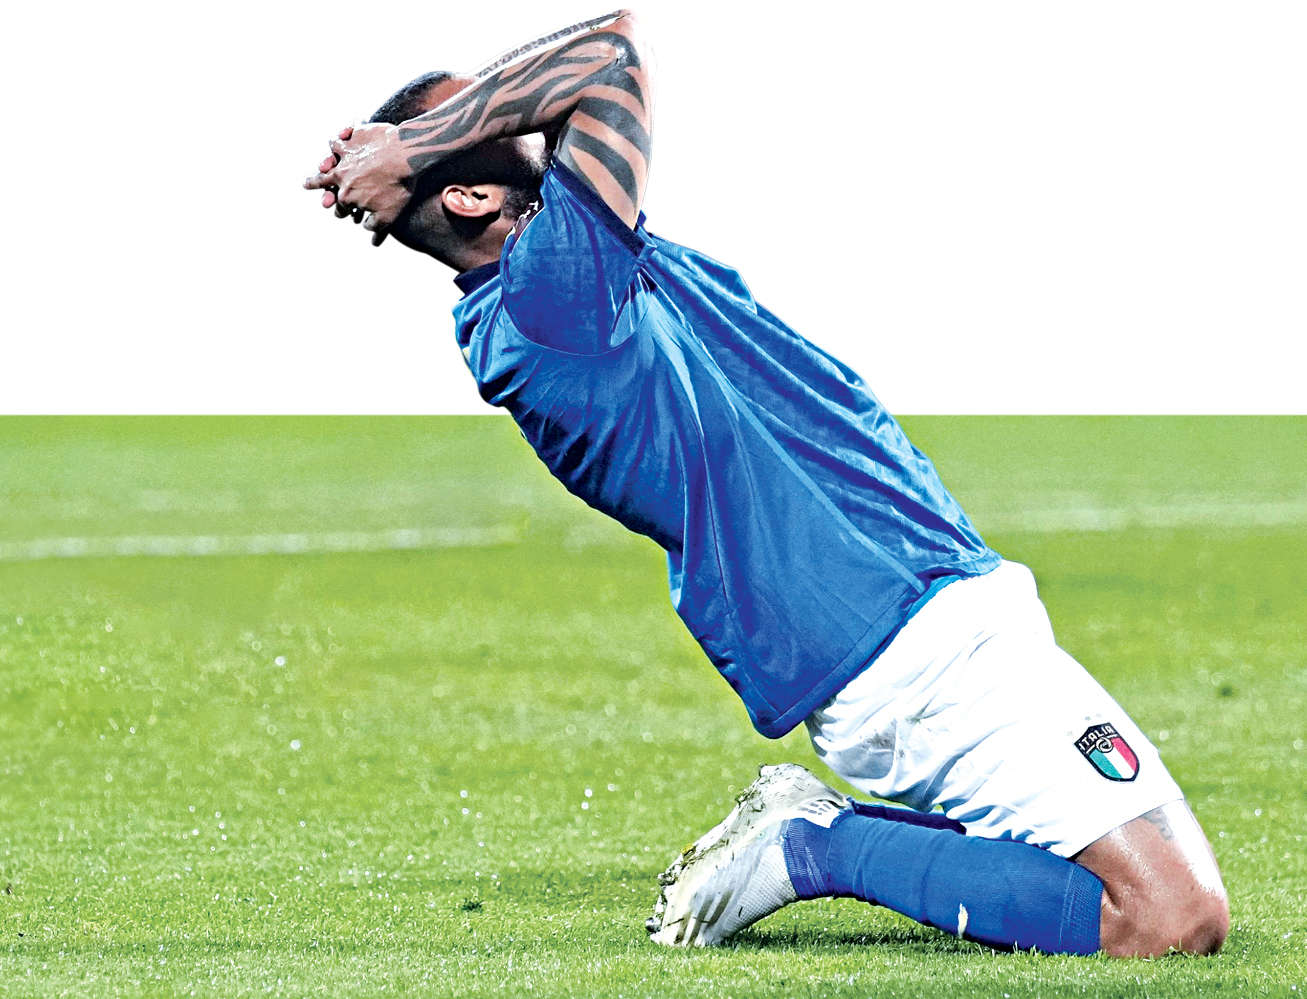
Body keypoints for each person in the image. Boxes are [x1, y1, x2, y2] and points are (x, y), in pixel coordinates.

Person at [303, 9, 1229, 957]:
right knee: (1167, 918)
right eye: (476, 114)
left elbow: (595, 53)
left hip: (936, 610)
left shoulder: (583, 264)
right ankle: (812, 847)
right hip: (904, 649)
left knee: (1171, 877)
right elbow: (608, 59)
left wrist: (410, 149)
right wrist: (408, 147)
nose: (515, 105)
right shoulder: (550, 296)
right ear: (467, 196)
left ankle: (828, 831)